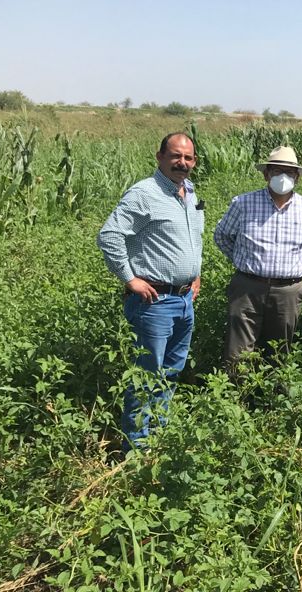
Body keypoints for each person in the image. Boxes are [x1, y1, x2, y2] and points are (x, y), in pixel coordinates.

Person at [97, 132, 204, 450]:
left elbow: (191, 240)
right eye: (175, 156)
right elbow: (109, 235)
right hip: (154, 302)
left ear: (194, 162)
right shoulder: (144, 193)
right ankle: (137, 450)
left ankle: (159, 436)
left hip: (184, 299)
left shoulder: (190, 192)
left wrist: (195, 274)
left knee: (171, 371)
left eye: (188, 157)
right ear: (160, 157)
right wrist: (130, 279)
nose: (182, 162)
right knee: (146, 375)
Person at [214, 145, 302, 368]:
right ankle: (236, 389)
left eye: (289, 172)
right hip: (247, 288)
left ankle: (273, 391)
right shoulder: (243, 203)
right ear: (266, 174)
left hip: (288, 291)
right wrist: (242, 259)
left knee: (278, 352)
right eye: (277, 171)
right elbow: (222, 236)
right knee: (237, 352)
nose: (283, 177)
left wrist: (298, 264)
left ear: (297, 177)